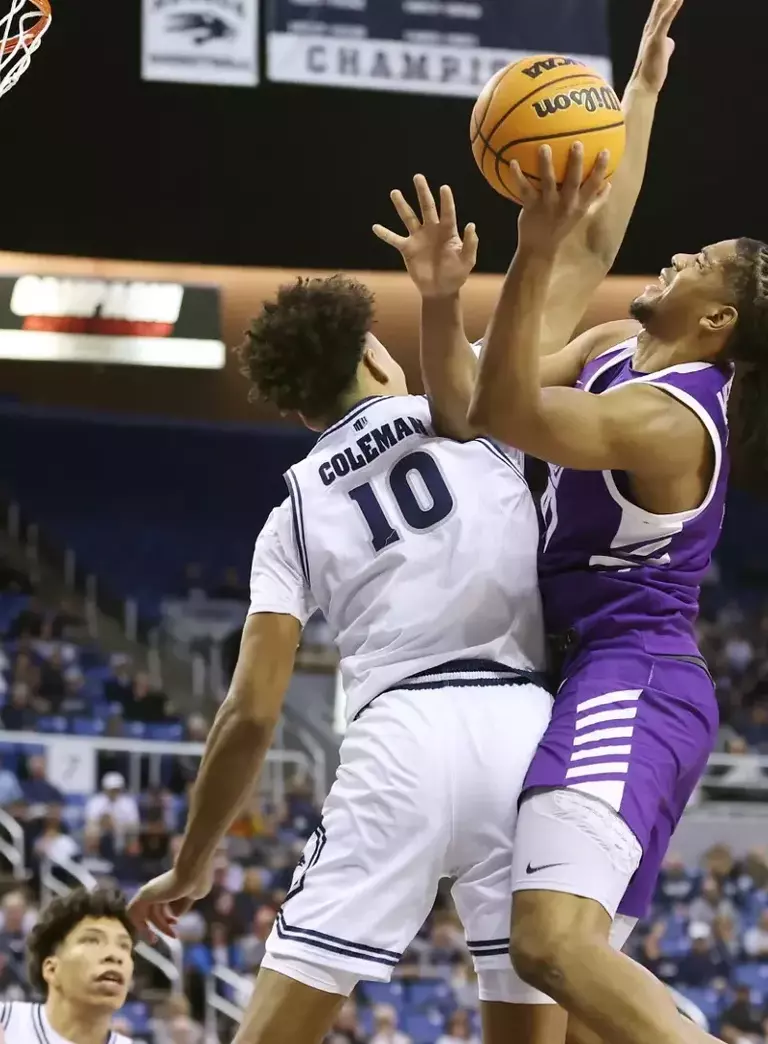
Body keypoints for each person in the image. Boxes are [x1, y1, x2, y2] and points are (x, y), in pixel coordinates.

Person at [126, 263, 563, 1044]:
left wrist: (194, 861)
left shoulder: (291, 513)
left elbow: (252, 713)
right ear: (371, 353)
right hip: (529, 730)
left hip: (402, 739)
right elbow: (562, 294)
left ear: (298, 412)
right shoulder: (466, 412)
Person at [0, 887, 135, 1044]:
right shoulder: (6, 1022)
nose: (115, 956)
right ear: (52, 969)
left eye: (124, 946)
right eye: (92, 940)